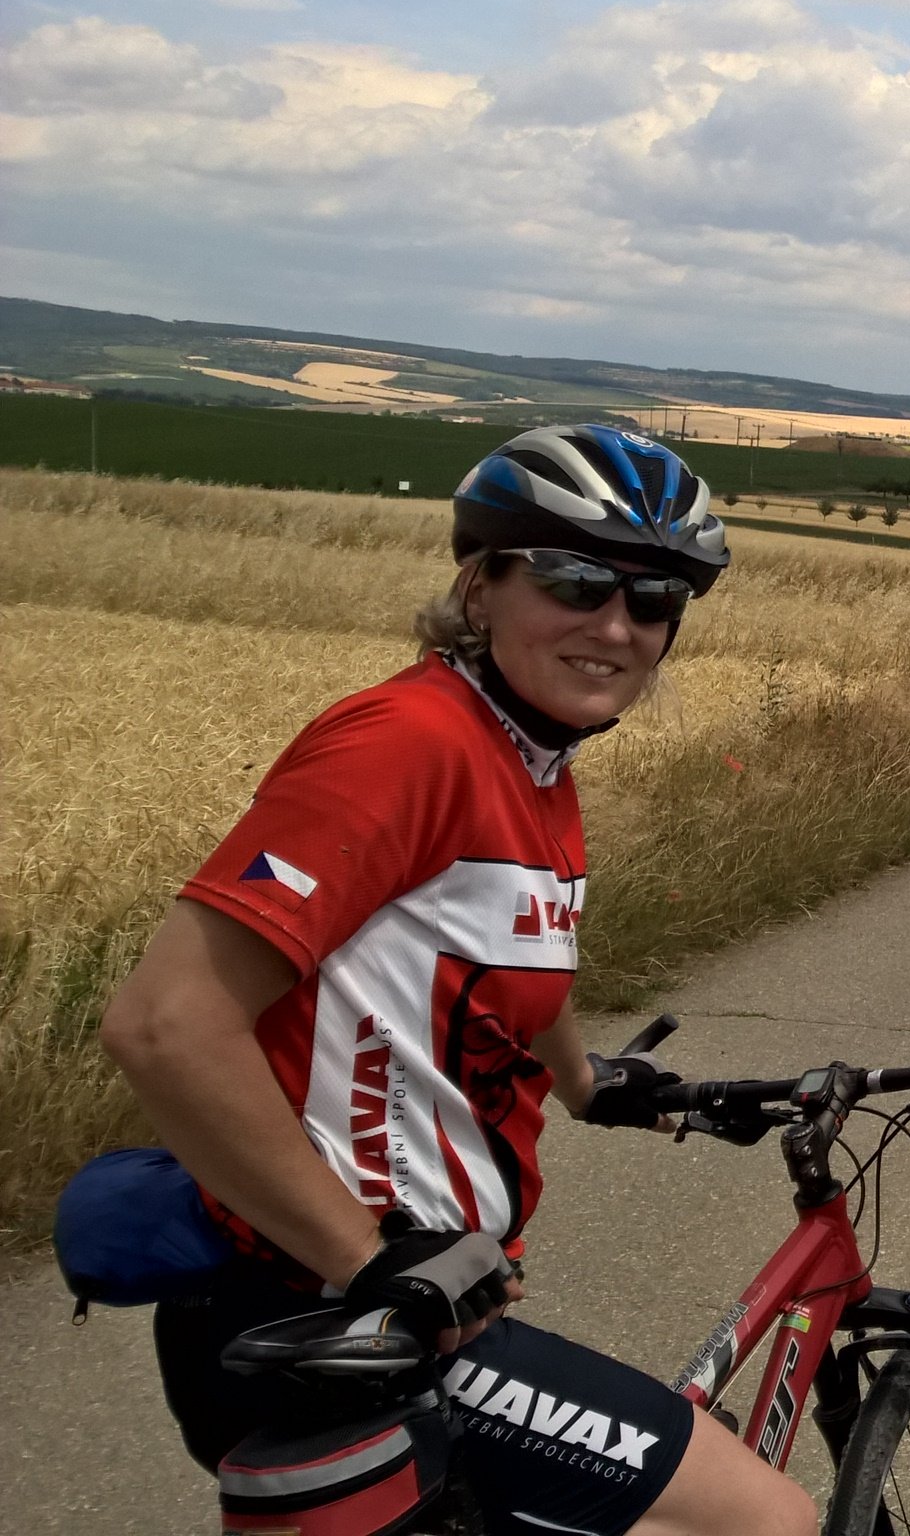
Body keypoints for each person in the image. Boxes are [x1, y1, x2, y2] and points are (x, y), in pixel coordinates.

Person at [99, 425, 815, 1536]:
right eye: (575, 582)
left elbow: (514, 950)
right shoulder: (409, 745)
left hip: (404, 1296)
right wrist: (368, 1262)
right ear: (480, 587)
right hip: (328, 1310)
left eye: (654, 600)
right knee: (765, 1521)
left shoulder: (530, 760)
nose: (616, 626)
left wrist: (584, 1082)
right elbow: (165, 1023)